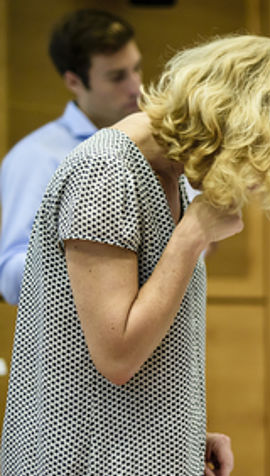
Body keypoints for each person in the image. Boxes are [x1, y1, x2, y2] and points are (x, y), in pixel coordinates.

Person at [0, 34, 270, 476]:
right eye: (254, 157)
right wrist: (193, 236)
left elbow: (129, 343)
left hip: (129, 465)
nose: (249, 181)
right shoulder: (107, 170)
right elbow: (117, 352)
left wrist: (176, 429)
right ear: (226, 124)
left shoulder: (162, 174)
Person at [0, 9, 141, 305]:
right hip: (76, 345)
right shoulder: (36, 156)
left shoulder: (156, 145)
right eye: (117, 77)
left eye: (136, 69)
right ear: (74, 82)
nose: (135, 87)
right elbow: (11, 277)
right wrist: (100, 264)